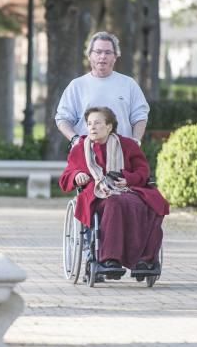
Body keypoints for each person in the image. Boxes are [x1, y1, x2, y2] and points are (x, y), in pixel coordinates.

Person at [59, 106, 169, 276]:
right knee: (114, 202)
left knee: (148, 206)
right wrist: (77, 175)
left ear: (109, 126)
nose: (92, 127)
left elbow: (143, 171)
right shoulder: (80, 149)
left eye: (97, 123)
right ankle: (110, 259)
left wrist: (128, 179)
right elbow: (66, 177)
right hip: (97, 194)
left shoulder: (128, 145)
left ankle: (146, 260)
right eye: (89, 124)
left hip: (128, 189)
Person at [55, 31, 149, 148]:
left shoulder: (129, 84)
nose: (103, 56)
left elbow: (140, 117)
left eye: (108, 52)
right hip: (86, 154)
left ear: (115, 57)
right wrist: (75, 139)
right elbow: (62, 118)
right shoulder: (76, 86)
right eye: (98, 52)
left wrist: (136, 141)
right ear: (89, 55)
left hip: (122, 153)